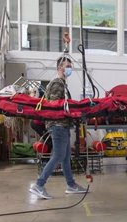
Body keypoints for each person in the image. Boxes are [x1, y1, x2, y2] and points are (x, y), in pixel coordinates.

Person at [29, 57, 87, 200]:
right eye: (68, 66)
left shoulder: (62, 84)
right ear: (60, 67)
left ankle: (71, 185)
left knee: (66, 157)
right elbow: (55, 105)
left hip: (63, 125)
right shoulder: (57, 83)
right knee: (59, 155)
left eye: (70, 66)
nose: (70, 69)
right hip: (58, 125)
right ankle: (39, 184)